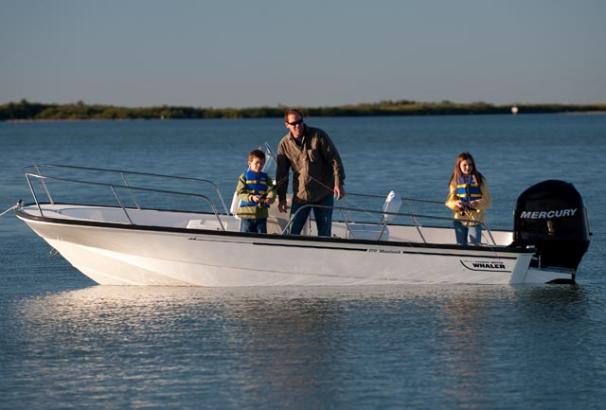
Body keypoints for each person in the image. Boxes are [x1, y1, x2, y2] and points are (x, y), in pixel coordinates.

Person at [276, 109, 345, 237]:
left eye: (300, 121)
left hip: (323, 193)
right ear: (287, 125)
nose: (297, 125)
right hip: (301, 195)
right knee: (293, 232)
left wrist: (338, 183)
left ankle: (325, 254)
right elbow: (282, 174)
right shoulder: (284, 144)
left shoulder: (318, 135)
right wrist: (282, 198)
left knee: (324, 234)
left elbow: (335, 160)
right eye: (293, 123)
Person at [445, 152, 492, 246]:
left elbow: (488, 200)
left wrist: (475, 203)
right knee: (461, 246)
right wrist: (456, 203)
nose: (468, 167)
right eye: (464, 165)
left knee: (475, 246)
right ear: (459, 166)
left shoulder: (480, 180)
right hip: (459, 219)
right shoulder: (455, 180)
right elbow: (449, 201)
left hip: (475, 219)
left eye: (470, 164)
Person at [235, 149, 276, 233]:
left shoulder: (266, 178)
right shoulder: (244, 177)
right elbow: (240, 193)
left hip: (261, 215)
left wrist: (270, 198)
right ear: (249, 163)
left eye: (262, 163)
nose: (259, 165)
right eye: (256, 163)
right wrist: (251, 197)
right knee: (245, 240)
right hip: (247, 215)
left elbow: (272, 190)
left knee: (262, 240)